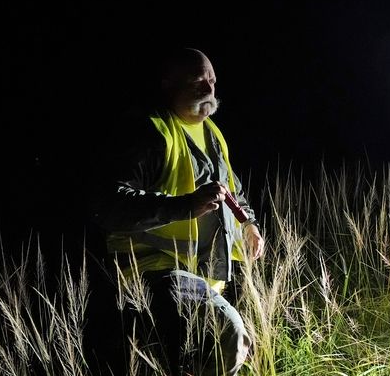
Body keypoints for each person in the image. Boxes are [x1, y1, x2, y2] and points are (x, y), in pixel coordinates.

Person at [87, 47, 264, 375]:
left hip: (204, 279)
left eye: (212, 80)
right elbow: (107, 204)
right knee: (232, 335)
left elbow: (233, 192)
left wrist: (248, 223)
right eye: (198, 81)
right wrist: (184, 206)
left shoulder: (212, 134)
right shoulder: (149, 130)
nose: (209, 89)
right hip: (154, 272)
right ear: (168, 84)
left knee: (211, 355)